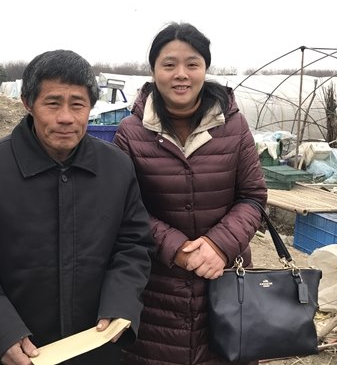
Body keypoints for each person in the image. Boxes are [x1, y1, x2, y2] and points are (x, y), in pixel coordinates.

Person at [0, 49, 153, 365]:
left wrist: (121, 301)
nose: (66, 117)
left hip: (97, 348)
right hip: (16, 354)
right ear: (28, 103)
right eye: (52, 103)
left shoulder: (117, 168)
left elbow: (134, 244)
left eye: (78, 104)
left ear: (91, 106)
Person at [113, 22, 267, 365]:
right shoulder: (131, 132)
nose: (181, 74)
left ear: (205, 68)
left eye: (192, 64)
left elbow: (253, 196)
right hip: (157, 290)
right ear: (153, 70)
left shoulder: (233, 125)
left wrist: (219, 245)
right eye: (169, 64)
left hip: (227, 282)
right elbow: (125, 207)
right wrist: (176, 249)